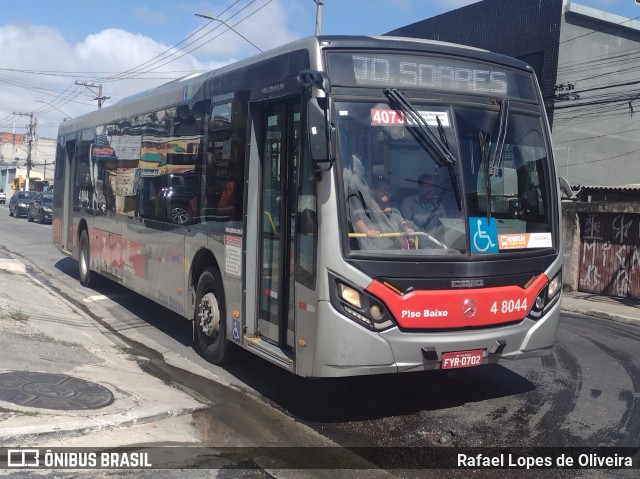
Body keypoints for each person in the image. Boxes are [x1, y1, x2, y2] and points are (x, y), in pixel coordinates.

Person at [350, 177, 414, 250]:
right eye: (382, 189)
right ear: (373, 191)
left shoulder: (395, 210)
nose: (386, 192)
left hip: (395, 253)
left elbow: (403, 224)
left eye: (388, 190)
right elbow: (358, 221)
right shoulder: (363, 209)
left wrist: (408, 230)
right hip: (374, 254)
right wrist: (367, 231)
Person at [401, 174, 445, 242]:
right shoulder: (408, 202)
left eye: (433, 186)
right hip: (414, 244)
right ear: (419, 188)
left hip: (433, 244)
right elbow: (406, 224)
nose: (431, 189)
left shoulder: (439, 207)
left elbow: (443, 227)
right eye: (428, 186)